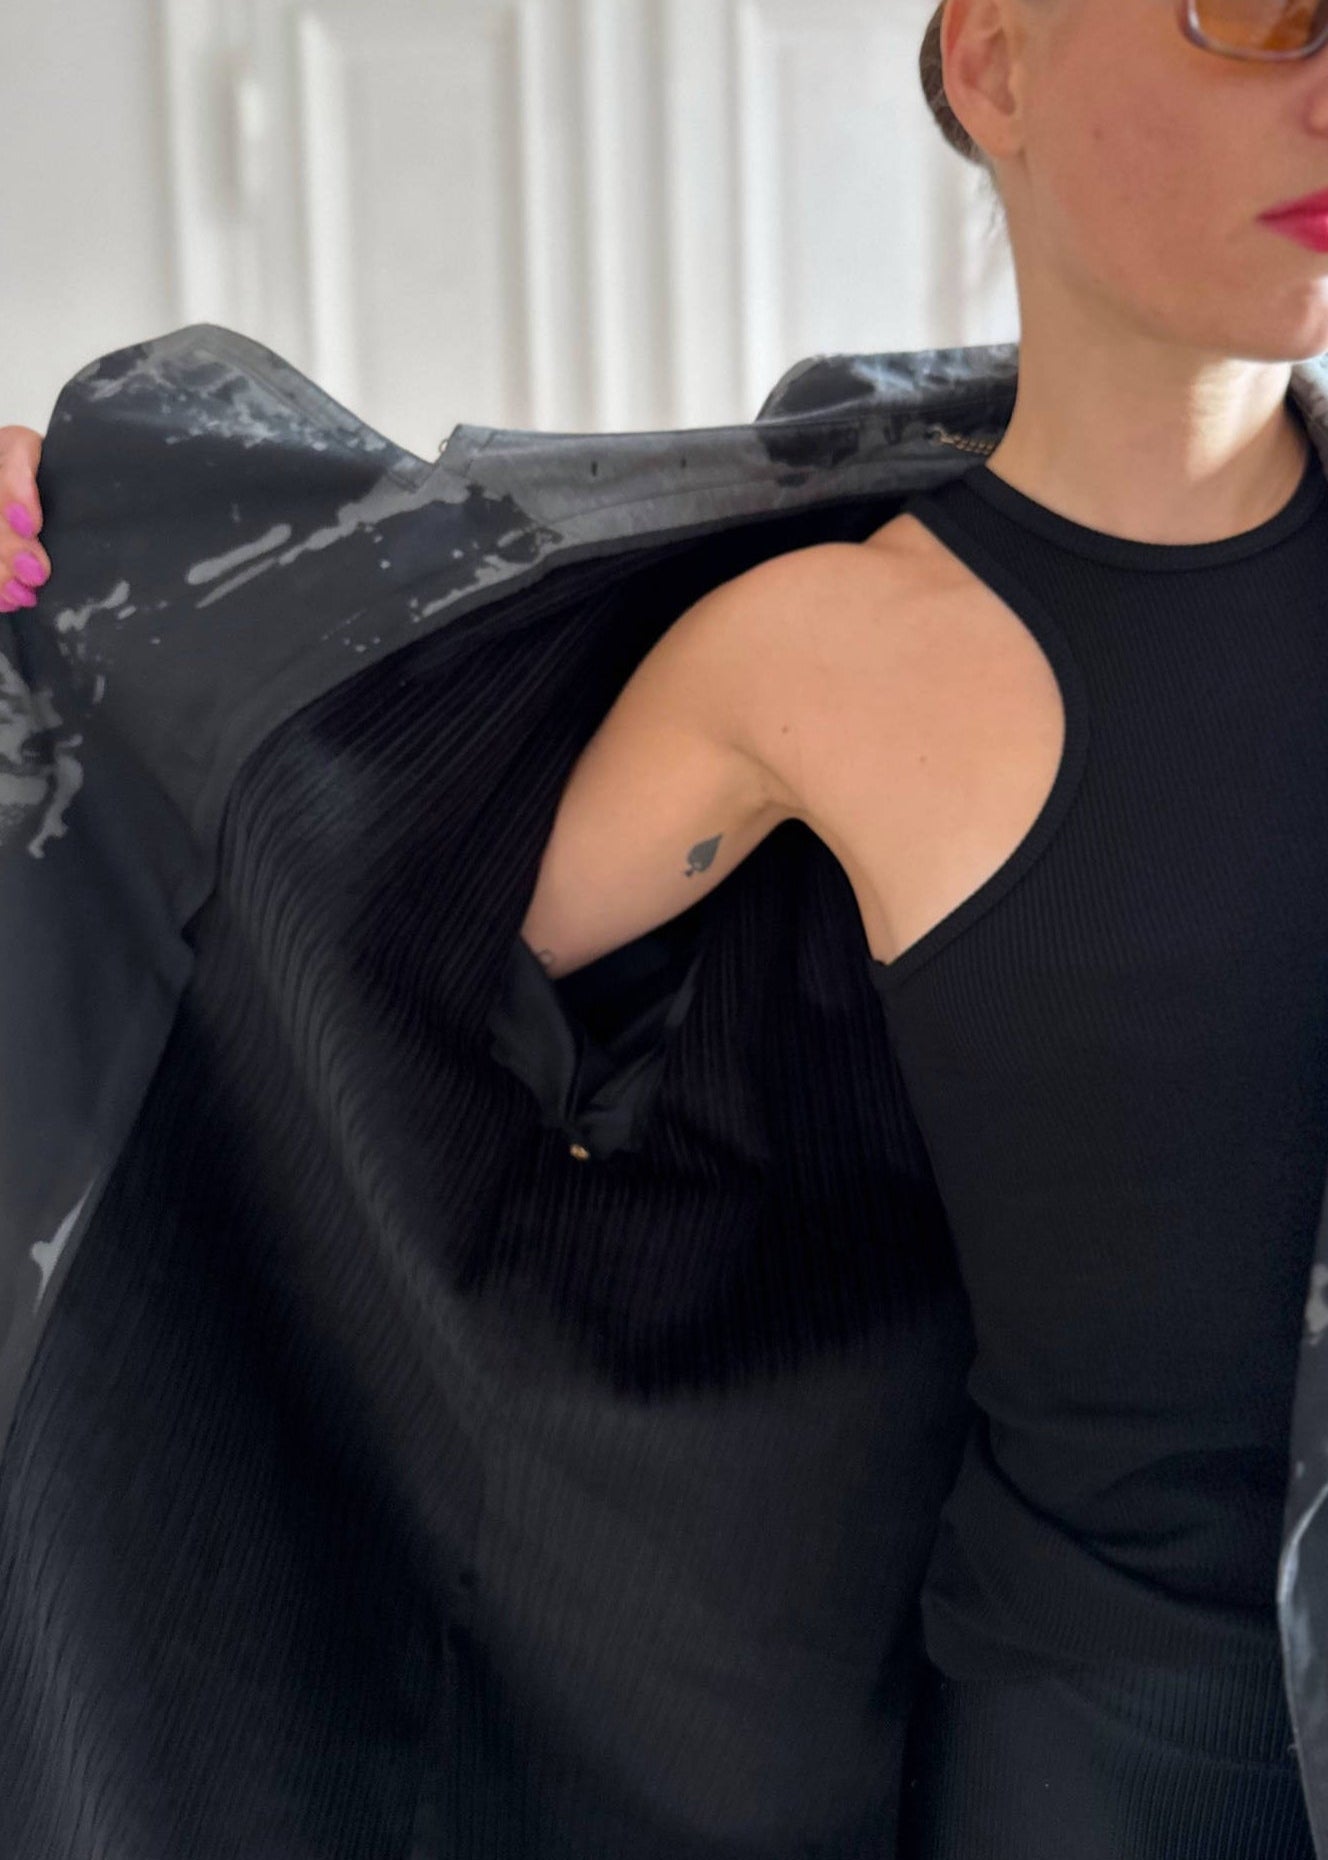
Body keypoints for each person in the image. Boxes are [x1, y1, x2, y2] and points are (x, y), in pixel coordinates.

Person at [6, 0, 1328, 1850]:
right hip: (1084, 1781)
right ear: (997, 63)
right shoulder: (811, 667)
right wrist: (82, 603)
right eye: (1263, 16)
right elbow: (327, 936)